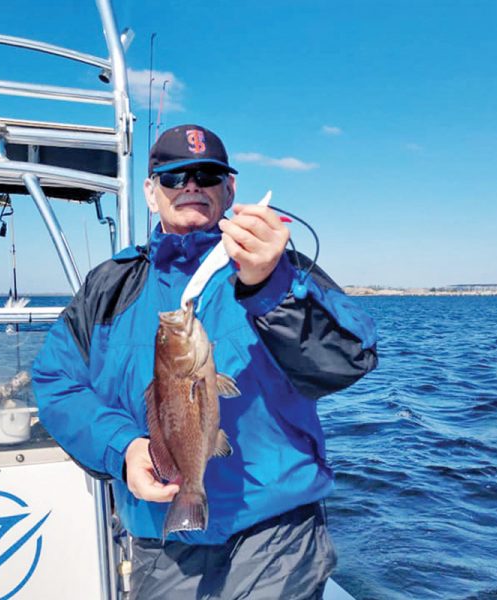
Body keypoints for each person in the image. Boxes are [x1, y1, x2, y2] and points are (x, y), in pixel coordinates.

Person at [33, 124, 378, 599]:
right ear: (151, 194)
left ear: (230, 190)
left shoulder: (279, 269)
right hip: (165, 535)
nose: (191, 185)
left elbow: (347, 359)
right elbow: (57, 382)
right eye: (174, 178)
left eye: (208, 175)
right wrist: (124, 449)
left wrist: (270, 286)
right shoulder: (109, 288)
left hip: (275, 535)